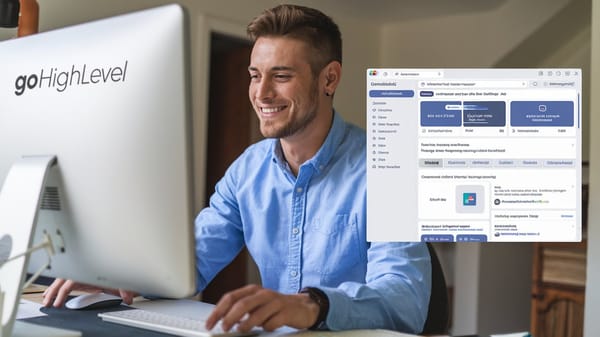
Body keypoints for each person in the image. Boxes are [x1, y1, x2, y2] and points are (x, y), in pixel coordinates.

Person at [42, 4, 431, 334]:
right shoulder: (248, 170)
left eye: (281, 76)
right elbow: (189, 264)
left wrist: (313, 305)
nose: (261, 94)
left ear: (329, 78)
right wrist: (116, 278)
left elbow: (405, 299)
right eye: (254, 75)